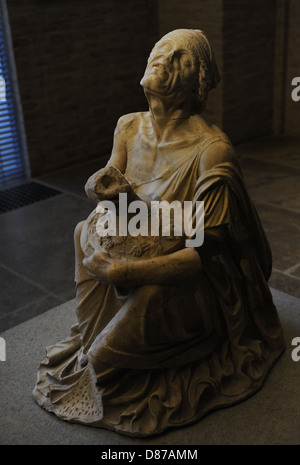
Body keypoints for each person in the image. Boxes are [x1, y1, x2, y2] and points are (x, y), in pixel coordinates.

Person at [33, 29, 285, 437]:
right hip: (142, 249)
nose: (163, 58)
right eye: (158, 50)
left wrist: (120, 273)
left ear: (197, 83)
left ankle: (102, 362)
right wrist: (100, 188)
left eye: (180, 57)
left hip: (190, 281)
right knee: (83, 229)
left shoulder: (211, 151)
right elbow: (112, 192)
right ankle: (101, 344)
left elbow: (200, 257)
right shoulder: (128, 127)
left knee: (146, 297)